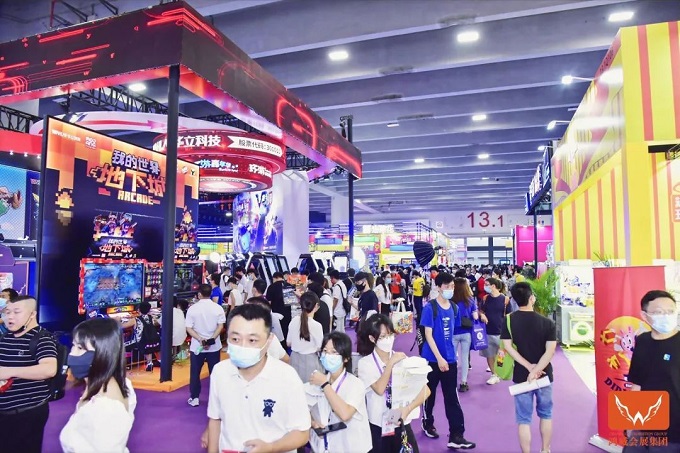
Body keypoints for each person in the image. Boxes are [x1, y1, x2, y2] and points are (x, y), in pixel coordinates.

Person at [207, 304, 310, 453]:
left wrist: (271, 448)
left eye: (252, 340)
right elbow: (215, 419)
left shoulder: (287, 377)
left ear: (269, 341)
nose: (243, 346)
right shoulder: (220, 372)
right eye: (235, 339)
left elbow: (302, 433)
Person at [60, 318, 137, 453]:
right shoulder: (106, 383)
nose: (72, 354)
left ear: (103, 353)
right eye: (74, 346)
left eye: (80, 348)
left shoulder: (106, 408)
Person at [358, 314, 429, 453]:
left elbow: (425, 390)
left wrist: (407, 409)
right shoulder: (365, 363)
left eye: (390, 335)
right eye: (383, 337)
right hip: (378, 425)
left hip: (401, 422)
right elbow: (379, 389)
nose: (388, 340)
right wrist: (390, 364)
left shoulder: (402, 359)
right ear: (372, 338)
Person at [420, 273, 475, 449]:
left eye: (452, 286)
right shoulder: (430, 308)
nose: (450, 289)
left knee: (452, 397)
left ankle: (456, 435)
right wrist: (439, 358)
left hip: (449, 359)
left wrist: (452, 356)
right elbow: (428, 335)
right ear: (438, 287)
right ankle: (428, 423)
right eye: (446, 286)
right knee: (429, 394)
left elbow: (451, 332)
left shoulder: (454, 308)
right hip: (432, 359)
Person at [501, 282, 557, 453]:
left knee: (523, 420)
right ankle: (545, 450)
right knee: (546, 414)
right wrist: (537, 370)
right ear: (532, 298)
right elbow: (550, 351)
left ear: (515, 300)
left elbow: (508, 347)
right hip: (544, 375)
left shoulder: (509, 320)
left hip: (521, 376)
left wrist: (528, 367)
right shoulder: (547, 323)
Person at [0, 296, 57, 453]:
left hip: (27, 412)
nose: (10, 317)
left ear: (32, 314)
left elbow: (49, 369)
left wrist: (9, 372)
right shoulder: (5, 338)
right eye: (7, 312)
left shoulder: (42, 338)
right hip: (4, 412)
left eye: (16, 312)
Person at [625, 290, 679, 452]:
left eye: (670, 311)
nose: (666, 316)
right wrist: (630, 423)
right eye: (659, 312)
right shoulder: (643, 340)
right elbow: (637, 384)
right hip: (644, 425)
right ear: (644, 315)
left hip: (674, 432)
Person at [308, 331, 372, 453]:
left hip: (351, 447)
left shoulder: (355, 384)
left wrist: (325, 385)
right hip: (326, 446)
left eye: (334, 352)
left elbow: (345, 414)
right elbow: (307, 409)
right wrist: (312, 422)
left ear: (346, 358)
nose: (328, 355)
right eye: (325, 351)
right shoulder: (317, 381)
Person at [185, 284, 226, 407]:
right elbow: (220, 326)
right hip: (214, 346)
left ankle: (195, 398)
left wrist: (200, 339)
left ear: (199, 294)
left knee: (195, 373)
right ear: (210, 293)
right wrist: (211, 339)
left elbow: (189, 328)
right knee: (215, 374)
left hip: (197, 347)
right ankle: (216, 399)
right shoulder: (218, 308)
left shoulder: (192, 309)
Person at [479, 277, 513, 383]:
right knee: (489, 355)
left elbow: (509, 315)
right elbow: (481, 310)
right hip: (488, 331)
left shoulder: (505, 300)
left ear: (493, 286)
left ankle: (500, 371)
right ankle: (494, 374)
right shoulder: (485, 299)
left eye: (487, 284)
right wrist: (482, 315)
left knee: (501, 354)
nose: (485, 286)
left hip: (501, 332)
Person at [287, 291, 323, 383]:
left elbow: (288, 343)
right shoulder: (316, 325)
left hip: (294, 359)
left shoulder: (293, 321)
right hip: (310, 361)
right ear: (316, 306)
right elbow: (320, 347)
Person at [452, 277, 478, 393]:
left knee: (452, 357)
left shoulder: (450, 301)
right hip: (466, 332)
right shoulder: (470, 300)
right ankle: (463, 382)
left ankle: (451, 381)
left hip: (453, 332)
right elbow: (475, 316)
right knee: (465, 358)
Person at [266, 272, 292, 339]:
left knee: (278, 334)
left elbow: (268, 302)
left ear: (275, 278)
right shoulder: (289, 286)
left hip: (276, 314)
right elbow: (291, 301)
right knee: (287, 331)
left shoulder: (271, 287)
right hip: (288, 313)